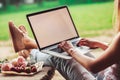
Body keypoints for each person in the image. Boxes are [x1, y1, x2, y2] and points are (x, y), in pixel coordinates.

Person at [8, 0, 120, 80]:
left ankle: (29, 47)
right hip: (109, 75)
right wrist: (99, 44)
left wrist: (71, 49)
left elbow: (94, 66)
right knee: (76, 52)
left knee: (62, 57)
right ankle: (28, 47)